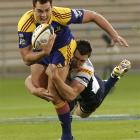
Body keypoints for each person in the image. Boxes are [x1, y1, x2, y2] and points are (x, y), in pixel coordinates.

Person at [18, 0, 129, 139]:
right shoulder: (25, 23)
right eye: (40, 11)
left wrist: (114, 35)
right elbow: (26, 59)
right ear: (33, 8)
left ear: (52, 7)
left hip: (62, 50)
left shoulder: (61, 14)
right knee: (40, 85)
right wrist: (34, 89)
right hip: (45, 50)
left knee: (65, 100)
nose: (44, 15)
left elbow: (93, 15)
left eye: (47, 10)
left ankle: (67, 136)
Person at [25, 40, 131, 120]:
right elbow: (29, 79)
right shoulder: (64, 57)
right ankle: (113, 76)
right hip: (82, 84)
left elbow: (72, 95)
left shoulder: (86, 69)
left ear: (87, 59)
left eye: (82, 60)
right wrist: (33, 90)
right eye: (76, 58)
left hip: (91, 96)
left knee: (80, 114)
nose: (78, 63)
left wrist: (55, 77)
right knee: (66, 100)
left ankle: (114, 77)